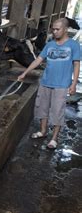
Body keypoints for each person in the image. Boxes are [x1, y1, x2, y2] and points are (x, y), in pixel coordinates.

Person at [17, 18, 80, 149]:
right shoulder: (50, 44)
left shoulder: (74, 45)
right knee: (42, 108)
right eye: (53, 29)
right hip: (45, 82)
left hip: (61, 85)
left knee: (57, 111)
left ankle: (54, 138)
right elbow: (39, 59)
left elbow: (76, 65)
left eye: (58, 29)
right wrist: (25, 72)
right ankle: (43, 131)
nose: (55, 32)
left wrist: (73, 84)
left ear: (66, 29)